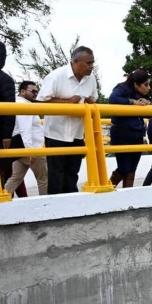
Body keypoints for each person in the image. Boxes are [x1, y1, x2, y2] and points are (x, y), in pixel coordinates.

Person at [36, 46, 98, 194]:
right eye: (88, 63)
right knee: (56, 174)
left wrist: (90, 104)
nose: (91, 67)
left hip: (78, 132)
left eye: (92, 63)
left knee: (72, 173)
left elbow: (94, 100)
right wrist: (67, 103)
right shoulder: (56, 76)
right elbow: (40, 103)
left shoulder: (91, 79)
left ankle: (72, 204)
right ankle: (55, 207)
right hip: (56, 132)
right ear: (75, 61)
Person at [108, 69, 151, 188]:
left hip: (137, 132)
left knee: (132, 169)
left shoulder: (143, 94)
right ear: (136, 84)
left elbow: (150, 110)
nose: (148, 88)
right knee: (124, 168)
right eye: (146, 85)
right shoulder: (121, 88)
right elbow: (113, 99)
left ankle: (128, 194)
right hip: (122, 133)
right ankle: (108, 188)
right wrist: (132, 102)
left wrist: (147, 102)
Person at [4, 81, 47, 196]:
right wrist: (30, 151)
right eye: (32, 91)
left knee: (15, 178)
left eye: (36, 91)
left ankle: (2, 198)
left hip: (20, 148)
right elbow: (25, 129)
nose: (35, 94)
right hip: (33, 149)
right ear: (22, 91)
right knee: (43, 179)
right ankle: (46, 205)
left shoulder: (14, 102)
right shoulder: (25, 105)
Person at [0, 40, 16, 190]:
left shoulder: (5, 80)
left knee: (0, 169)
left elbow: (9, 110)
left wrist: (7, 135)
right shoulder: (5, 79)